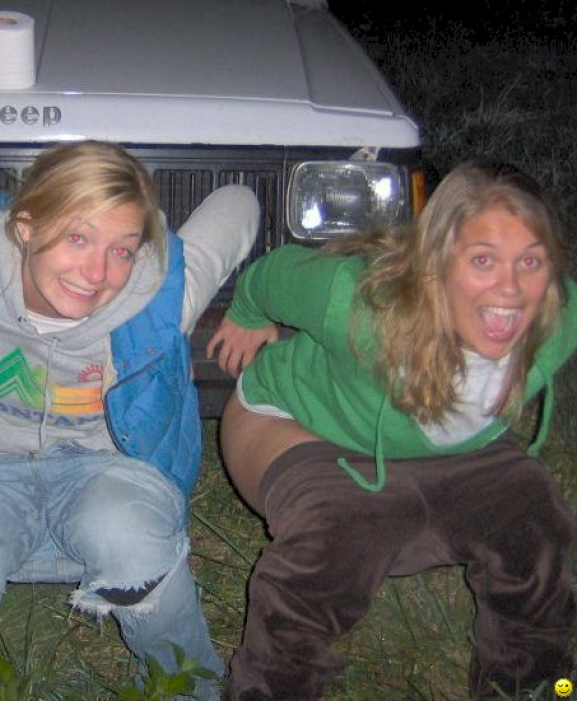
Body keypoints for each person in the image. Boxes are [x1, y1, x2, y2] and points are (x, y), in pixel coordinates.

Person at [0, 142, 260, 699]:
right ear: (25, 227)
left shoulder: (156, 296)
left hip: (109, 469)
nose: (97, 273)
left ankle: (187, 689)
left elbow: (239, 201)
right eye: (77, 237)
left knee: (130, 538)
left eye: (122, 249)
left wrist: (251, 305)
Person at [207, 161, 577, 700]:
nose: (511, 289)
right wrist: (248, 311)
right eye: (483, 260)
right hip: (296, 420)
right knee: (340, 534)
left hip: (439, 447)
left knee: (535, 519)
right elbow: (277, 273)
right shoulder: (359, 303)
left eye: (531, 262)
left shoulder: (557, 317)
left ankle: (530, 684)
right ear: (434, 262)